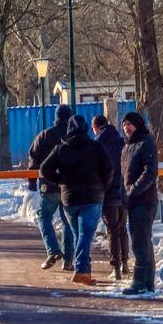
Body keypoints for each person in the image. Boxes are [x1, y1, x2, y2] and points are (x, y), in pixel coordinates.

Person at [39, 115, 113, 285]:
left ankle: (85, 270)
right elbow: (109, 169)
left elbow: (44, 169)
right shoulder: (95, 146)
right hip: (92, 197)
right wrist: (103, 186)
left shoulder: (61, 148)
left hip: (69, 200)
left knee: (79, 235)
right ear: (85, 128)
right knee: (85, 235)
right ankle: (81, 270)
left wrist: (59, 180)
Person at [28, 104, 75, 271]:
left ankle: (53, 250)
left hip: (48, 186)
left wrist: (31, 180)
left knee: (43, 216)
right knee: (67, 222)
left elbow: (33, 158)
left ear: (56, 117)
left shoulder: (44, 135)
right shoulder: (73, 136)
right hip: (68, 187)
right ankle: (68, 261)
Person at [120, 111, 159, 295]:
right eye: (124, 125)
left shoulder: (146, 143)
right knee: (143, 241)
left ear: (137, 124)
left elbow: (150, 172)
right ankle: (148, 282)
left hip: (144, 200)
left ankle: (139, 282)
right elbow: (124, 175)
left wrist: (133, 190)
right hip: (132, 200)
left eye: (129, 124)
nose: (126, 128)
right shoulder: (127, 147)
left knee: (139, 243)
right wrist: (124, 194)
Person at [93, 115, 128, 281]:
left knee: (112, 230)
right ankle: (125, 263)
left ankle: (116, 267)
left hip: (107, 192)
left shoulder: (96, 144)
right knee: (122, 228)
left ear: (95, 127)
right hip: (123, 190)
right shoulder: (122, 141)